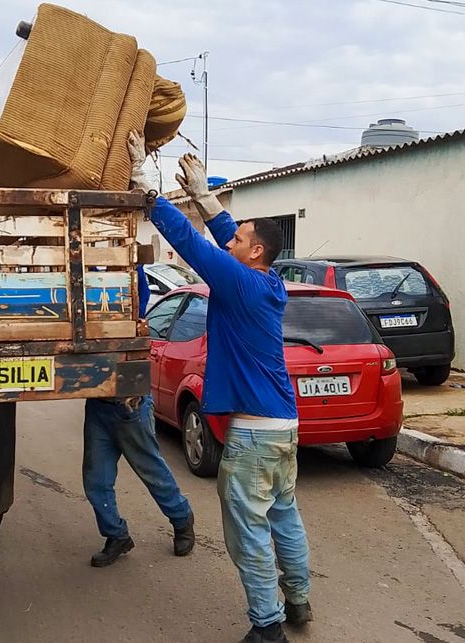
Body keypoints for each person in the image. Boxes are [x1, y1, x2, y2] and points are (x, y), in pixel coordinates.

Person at [127, 131, 312, 643]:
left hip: (252, 437)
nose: (228, 242)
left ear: (254, 252)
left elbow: (189, 246)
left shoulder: (240, 280)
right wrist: (209, 202)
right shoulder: (265, 280)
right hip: (282, 426)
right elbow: (230, 239)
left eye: (236, 240)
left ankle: (267, 626)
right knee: (284, 514)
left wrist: (150, 193)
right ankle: (297, 600)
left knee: (248, 531)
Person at [82, 262, 195, 567]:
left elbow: (137, 276)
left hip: (129, 406)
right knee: (95, 480)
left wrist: (131, 261)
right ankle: (117, 535)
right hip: (99, 405)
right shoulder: (82, 307)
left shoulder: (131, 301)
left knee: (152, 472)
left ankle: (182, 519)